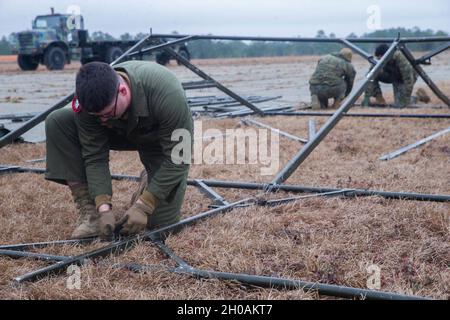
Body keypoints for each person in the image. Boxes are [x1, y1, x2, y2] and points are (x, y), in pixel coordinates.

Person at [45, 61, 193, 239]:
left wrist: (144, 205)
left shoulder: (168, 94)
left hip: (156, 141)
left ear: (122, 91)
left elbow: (180, 158)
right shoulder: (89, 103)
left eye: (107, 113)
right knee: (58, 121)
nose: (102, 121)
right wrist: (103, 208)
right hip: (119, 132)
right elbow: (94, 156)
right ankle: (91, 216)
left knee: (161, 225)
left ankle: (150, 178)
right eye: (96, 116)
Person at [362, 43, 418, 107]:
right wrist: (367, 97)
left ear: (385, 55)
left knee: (400, 102)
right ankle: (379, 97)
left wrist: (406, 98)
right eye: (378, 58)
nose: (379, 59)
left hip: (404, 77)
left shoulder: (400, 57)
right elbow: (370, 75)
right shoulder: (379, 60)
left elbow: (408, 80)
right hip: (393, 75)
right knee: (371, 74)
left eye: (380, 57)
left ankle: (415, 98)